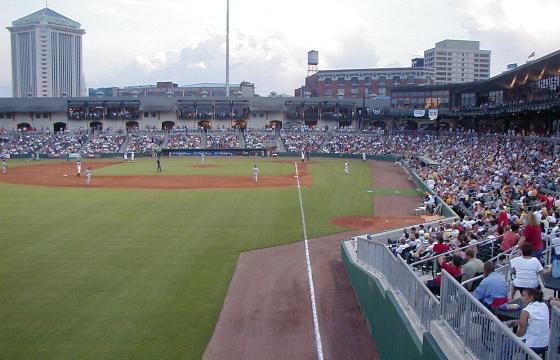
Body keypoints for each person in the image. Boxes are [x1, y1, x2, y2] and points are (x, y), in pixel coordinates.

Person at [514, 288, 550, 355]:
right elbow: (536, 320)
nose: (521, 298)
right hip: (545, 343)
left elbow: (521, 333)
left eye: (523, 296)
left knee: (505, 346)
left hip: (532, 345)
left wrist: (513, 336)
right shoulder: (544, 305)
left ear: (531, 297)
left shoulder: (525, 311)